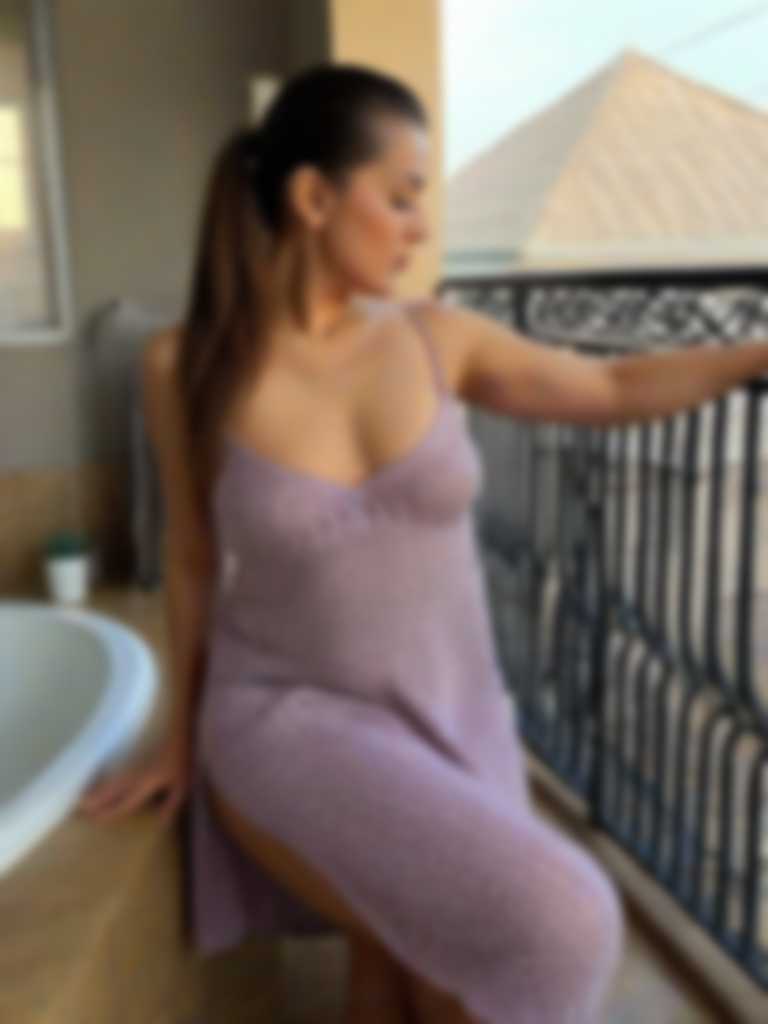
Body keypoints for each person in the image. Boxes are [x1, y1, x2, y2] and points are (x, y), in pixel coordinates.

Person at [78, 59, 768, 1023]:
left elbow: (610, 386)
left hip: (456, 717)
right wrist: (181, 740)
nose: (419, 228)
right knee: (562, 923)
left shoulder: (438, 339)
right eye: (401, 197)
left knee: (408, 971)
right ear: (314, 198)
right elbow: (190, 561)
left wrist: (757, 350)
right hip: (290, 719)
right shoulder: (184, 365)